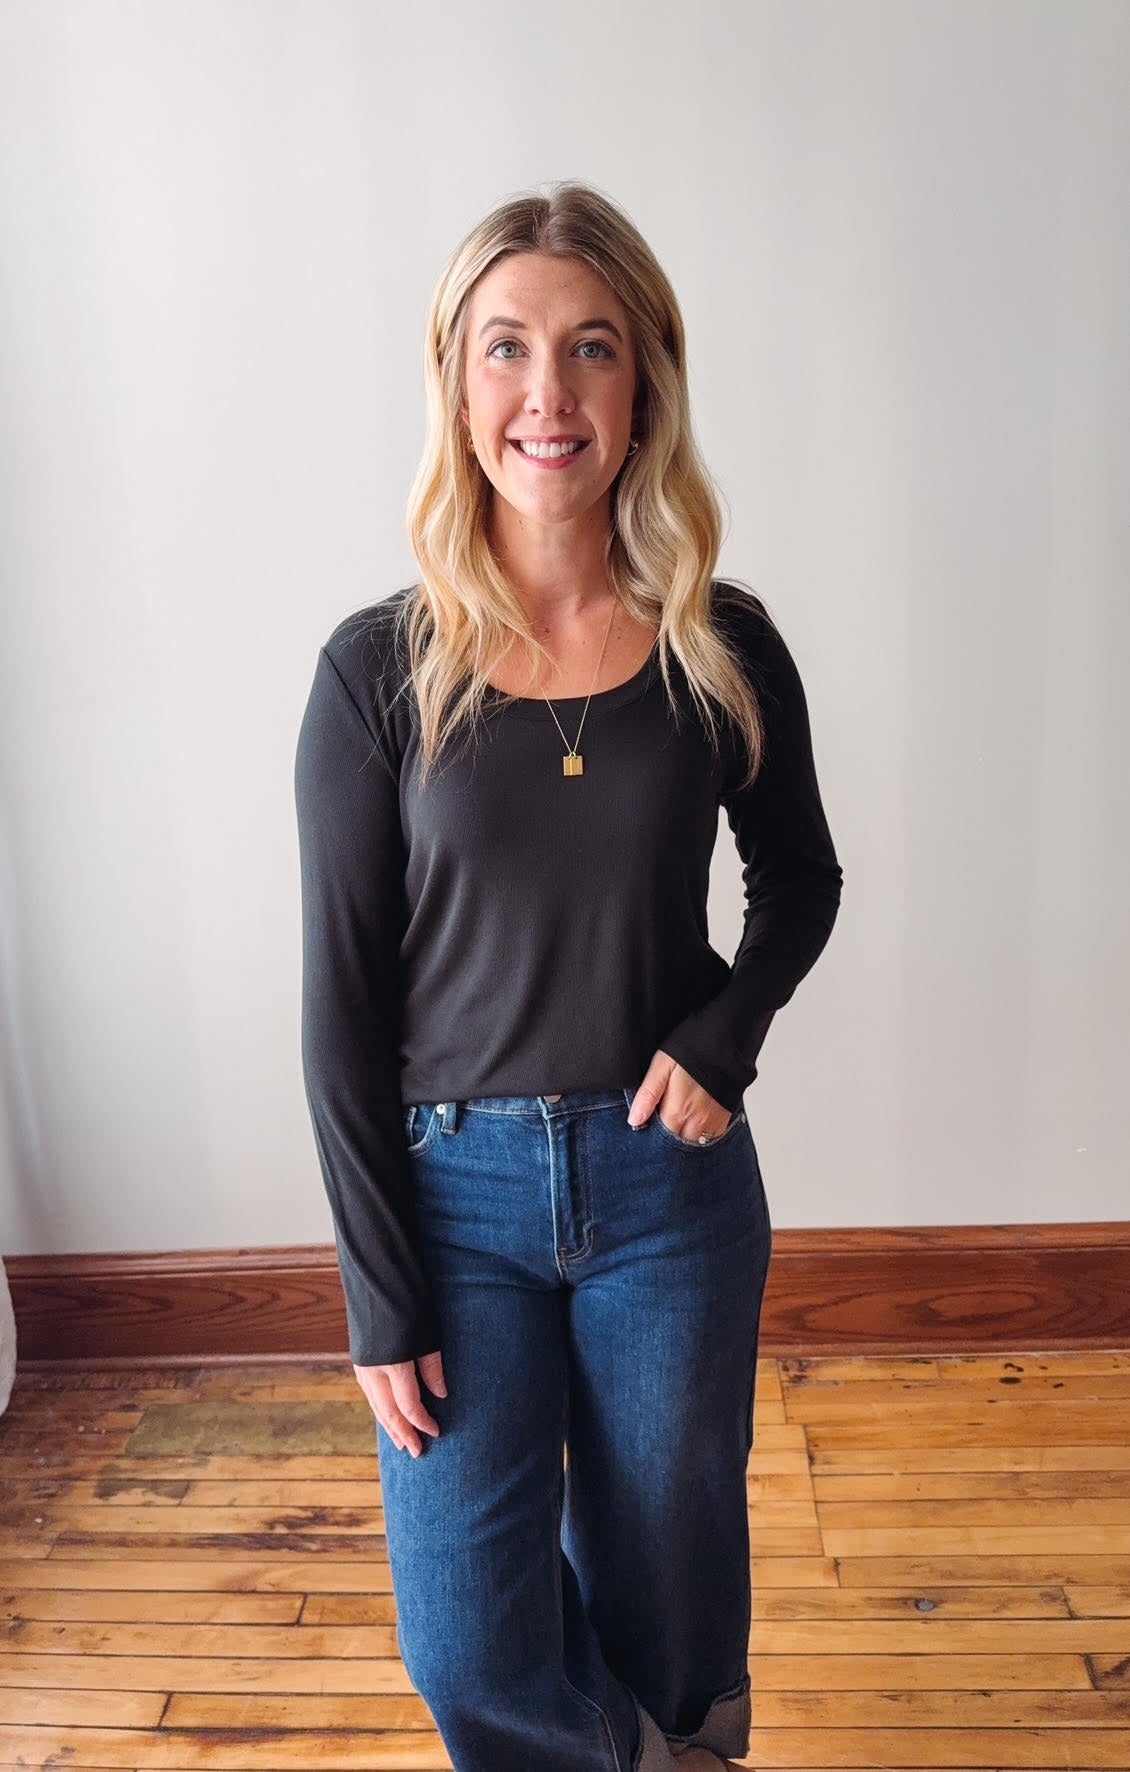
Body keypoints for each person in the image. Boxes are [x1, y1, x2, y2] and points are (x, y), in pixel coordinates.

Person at [295, 180, 843, 1772]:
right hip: (448, 1199)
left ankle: (672, 1741)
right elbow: (340, 1010)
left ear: (643, 386)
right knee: (466, 1632)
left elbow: (799, 880)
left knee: (669, 1585)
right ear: (457, 384)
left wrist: (725, 1035)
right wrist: (376, 1288)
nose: (549, 395)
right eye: (508, 349)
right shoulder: (375, 672)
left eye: (592, 350)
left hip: (666, 1187)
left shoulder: (717, 646)